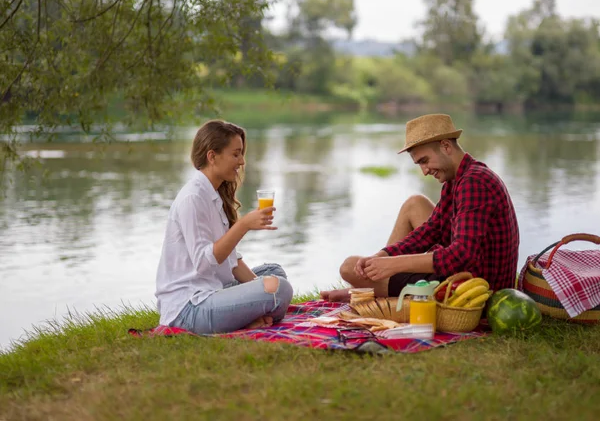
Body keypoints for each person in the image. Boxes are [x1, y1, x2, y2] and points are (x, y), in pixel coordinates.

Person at [321, 113, 520, 302]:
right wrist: (384, 255)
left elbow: (462, 256)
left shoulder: (474, 182)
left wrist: (393, 265)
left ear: (445, 146)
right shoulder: (457, 179)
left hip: (474, 292)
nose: (424, 171)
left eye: (425, 161)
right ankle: (373, 286)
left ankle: (366, 291)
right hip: (468, 276)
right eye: (419, 164)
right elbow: (430, 231)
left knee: (348, 268)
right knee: (414, 203)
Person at [155, 119, 293, 334]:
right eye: (236, 154)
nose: (242, 161)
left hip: (212, 288)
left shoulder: (213, 193)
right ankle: (249, 317)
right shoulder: (193, 198)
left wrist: (258, 289)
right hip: (189, 308)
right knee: (280, 288)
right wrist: (243, 225)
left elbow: (231, 260)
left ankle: (250, 314)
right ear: (212, 156)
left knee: (274, 272)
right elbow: (202, 263)